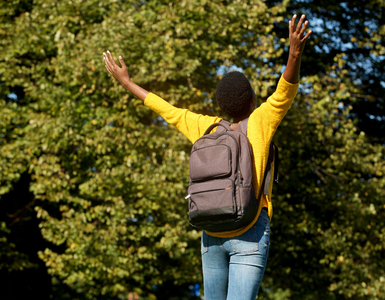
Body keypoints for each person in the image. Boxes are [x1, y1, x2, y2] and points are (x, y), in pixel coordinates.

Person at [103, 14, 312, 300]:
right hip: (250, 230)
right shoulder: (262, 120)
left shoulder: (208, 128)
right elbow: (285, 90)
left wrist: (127, 83)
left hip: (212, 229)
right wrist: (295, 52)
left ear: (223, 106)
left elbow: (168, 110)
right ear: (251, 99)